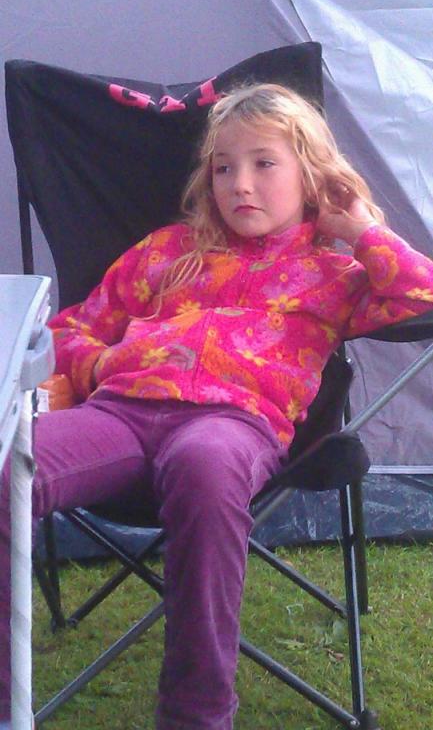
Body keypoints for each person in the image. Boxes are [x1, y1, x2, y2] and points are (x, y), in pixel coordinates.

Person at [1, 82, 433, 730]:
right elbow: (70, 329)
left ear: (312, 174)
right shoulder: (168, 251)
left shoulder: (333, 273)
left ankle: (196, 715)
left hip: (231, 423)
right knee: (6, 469)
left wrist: (363, 229)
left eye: (264, 163)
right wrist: (97, 367)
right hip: (121, 413)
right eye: (223, 167)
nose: (240, 183)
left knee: (205, 466)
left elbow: (420, 297)